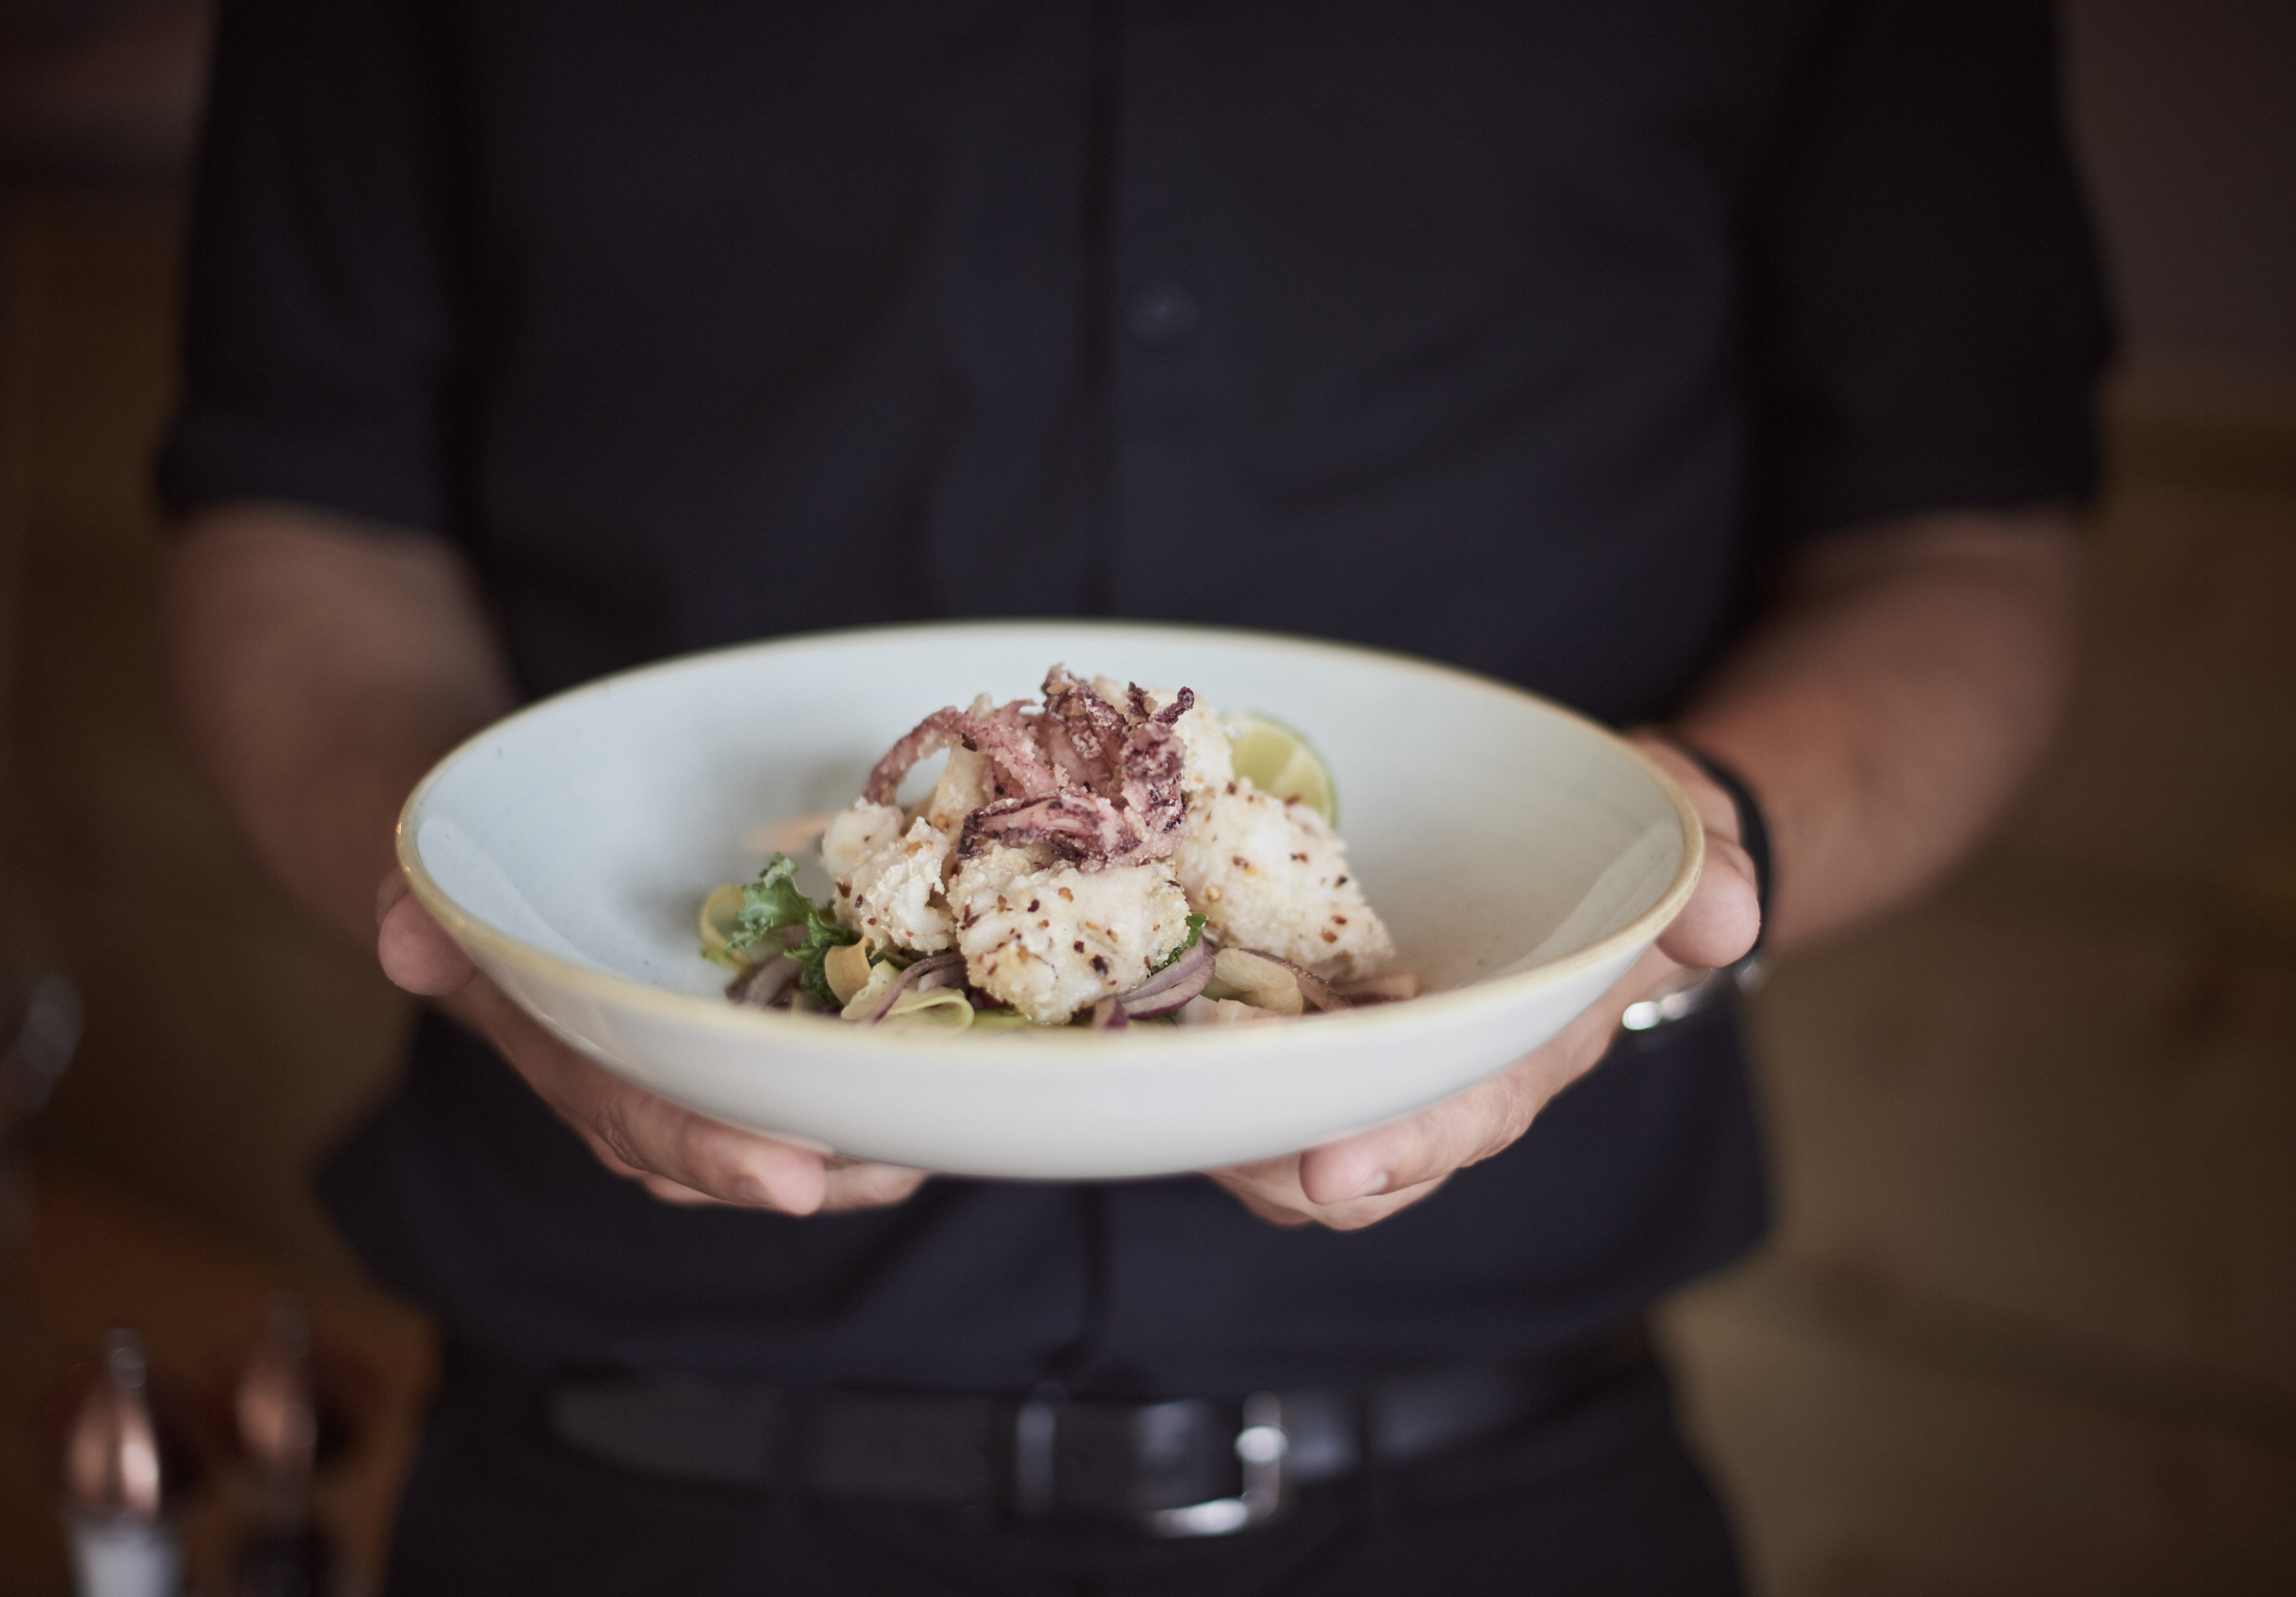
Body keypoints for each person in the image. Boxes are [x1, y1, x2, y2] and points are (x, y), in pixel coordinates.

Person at [158, 0, 2109, 1590]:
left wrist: (1685, 872)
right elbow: (295, 509)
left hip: (1510, 1491)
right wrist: (494, 907)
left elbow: (1961, 540)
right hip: (609, 1477)